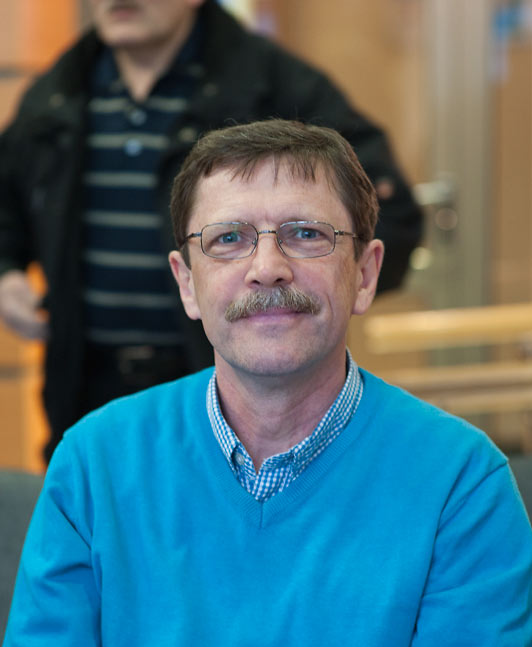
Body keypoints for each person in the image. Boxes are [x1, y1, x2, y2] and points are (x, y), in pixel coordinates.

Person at [0, 118, 530, 647]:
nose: (268, 266)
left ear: (365, 273)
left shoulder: (462, 483)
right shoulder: (95, 461)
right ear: (187, 282)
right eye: (229, 239)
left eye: (306, 234)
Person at [0, 0, 423, 461]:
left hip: (231, 395)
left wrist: (299, 304)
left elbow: (390, 215)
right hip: (86, 385)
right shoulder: (58, 93)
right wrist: (6, 271)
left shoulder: (272, 86)